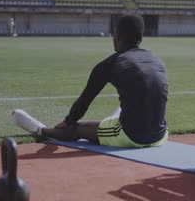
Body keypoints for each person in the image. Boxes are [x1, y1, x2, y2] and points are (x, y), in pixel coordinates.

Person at [12, 14, 168, 148]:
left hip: (133, 137)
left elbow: (83, 103)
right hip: (161, 135)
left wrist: (68, 121)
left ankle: (40, 130)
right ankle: (115, 121)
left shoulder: (110, 63)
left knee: (77, 129)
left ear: (117, 36)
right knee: (128, 109)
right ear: (140, 37)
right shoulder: (156, 59)